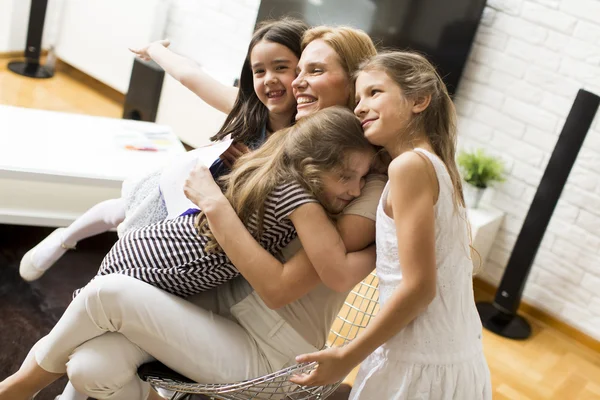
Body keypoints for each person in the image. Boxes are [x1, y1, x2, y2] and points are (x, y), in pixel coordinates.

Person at [0, 25, 382, 400]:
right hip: (209, 296)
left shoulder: (359, 174)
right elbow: (197, 81)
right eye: (298, 70)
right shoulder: (287, 139)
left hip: (270, 341)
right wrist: (159, 51)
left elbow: (292, 284)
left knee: (105, 295)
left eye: (312, 71)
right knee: (90, 369)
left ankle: (20, 386)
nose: (295, 82)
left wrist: (214, 204)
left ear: (354, 81)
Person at [19, 17, 307, 282]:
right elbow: (190, 76)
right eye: (259, 71)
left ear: (304, 68)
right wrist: (155, 50)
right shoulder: (245, 107)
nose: (269, 78)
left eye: (281, 67)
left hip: (209, 213)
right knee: (122, 207)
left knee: (141, 240)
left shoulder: (306, 137)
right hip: (185, 183)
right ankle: (65, 238)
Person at [289, 51, 492, 399]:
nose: (359, 107)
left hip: (419, 368)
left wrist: (346, 356)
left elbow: (420, 288)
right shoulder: (435, 165)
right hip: (456, 358)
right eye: (356, 99)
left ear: (419, 100)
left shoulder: (409, 167)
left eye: (374, 93)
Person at [77, 107, 375, 298]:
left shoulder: (300, 186)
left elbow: (322, 277)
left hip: (162, 263)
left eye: (315, 70)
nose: (357, 190)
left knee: (80, 344)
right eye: (347, 177)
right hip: (158, 258)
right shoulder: (295, 190)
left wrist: (214, 204)